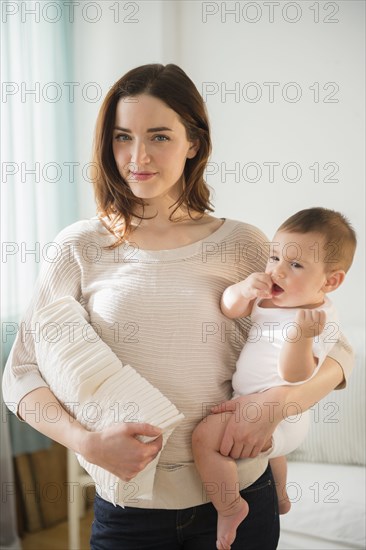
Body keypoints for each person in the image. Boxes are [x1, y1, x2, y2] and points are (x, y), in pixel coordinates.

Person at [2, 64, 354, 550]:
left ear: (194, 142)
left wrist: (275, 406)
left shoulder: (245, 244)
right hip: (131, 511)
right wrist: (85, 442)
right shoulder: (78, 247)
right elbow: (20, 374)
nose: (138, 156)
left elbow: (339, 358)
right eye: (123, 136)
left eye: (160, 136)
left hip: (241, 495)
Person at [192, 207, 357, 550]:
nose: (277, 270)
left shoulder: (317, 320)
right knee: (271, 458)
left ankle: (230, 506)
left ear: (330, 281)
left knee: (204, 438)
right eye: (275, 256)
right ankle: (281, 496)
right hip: (253, 401)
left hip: (284, 416)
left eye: (295, 265)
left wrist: (301, 338)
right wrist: (242, 290)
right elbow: (229, 308)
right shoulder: (270, 297)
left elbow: (297, 376)